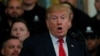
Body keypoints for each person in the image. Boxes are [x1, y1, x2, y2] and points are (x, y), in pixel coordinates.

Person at [20, 3, 88, 56]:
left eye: (63, 18)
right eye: (54, 18)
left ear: (69, 22)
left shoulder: (78, 45)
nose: (59, 22)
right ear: (47, 23)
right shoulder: (33, 44)